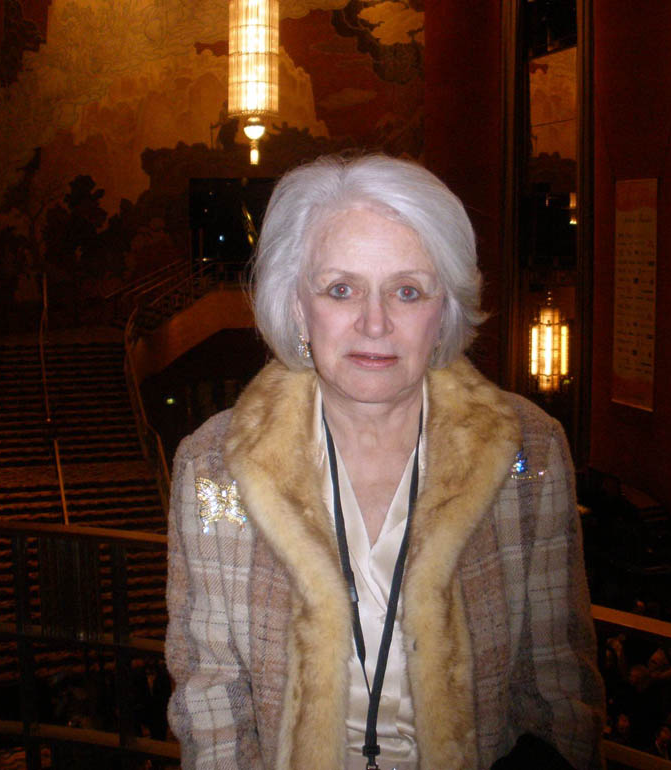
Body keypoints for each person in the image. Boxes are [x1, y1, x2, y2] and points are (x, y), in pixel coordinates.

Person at [165, 153, 605, 770]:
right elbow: (212, 699)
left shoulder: (527, 452)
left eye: (407, 291)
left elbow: (558, 687)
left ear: (444, 312)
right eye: (341, 289)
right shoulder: (214, 467)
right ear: (297, 307)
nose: (375, 324)